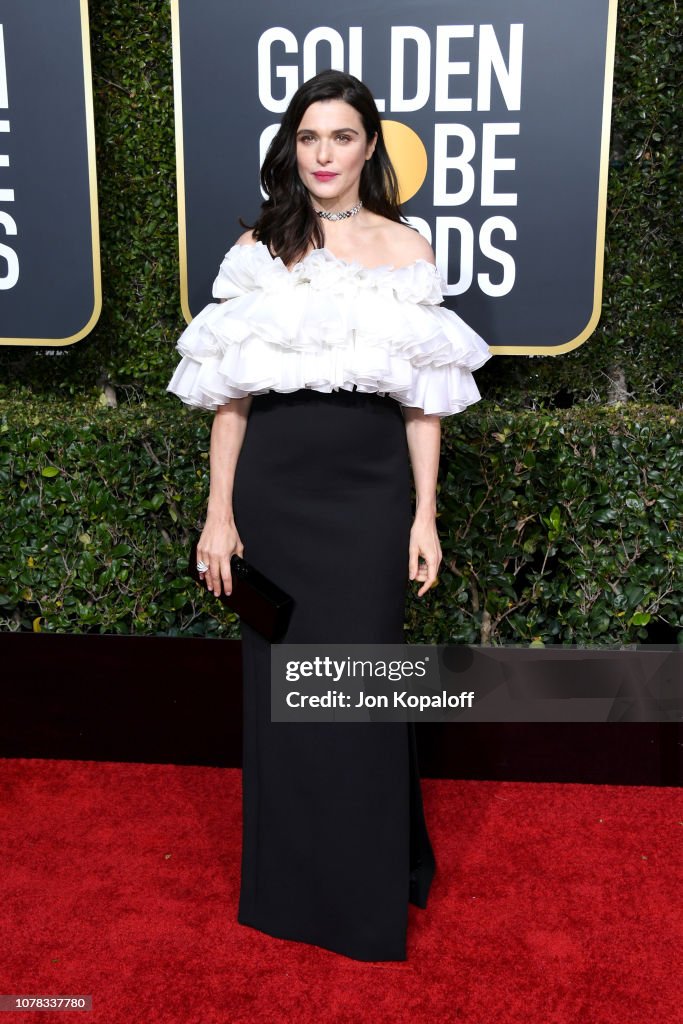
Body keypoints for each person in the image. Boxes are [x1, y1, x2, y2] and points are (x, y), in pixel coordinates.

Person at [167, 69, 491, 962]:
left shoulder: (408, 249)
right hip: (274, 489)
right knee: (281, 694)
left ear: (367, 148)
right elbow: (229, 401)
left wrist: (423, 517)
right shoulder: (257, 249)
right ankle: (289, 887)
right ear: (291, 147)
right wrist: (217, 517)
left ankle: (365, 887)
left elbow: (422, 404)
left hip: (368, 491)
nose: (322, 155)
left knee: (357, 690)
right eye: (308, 138)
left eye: (340, 137)